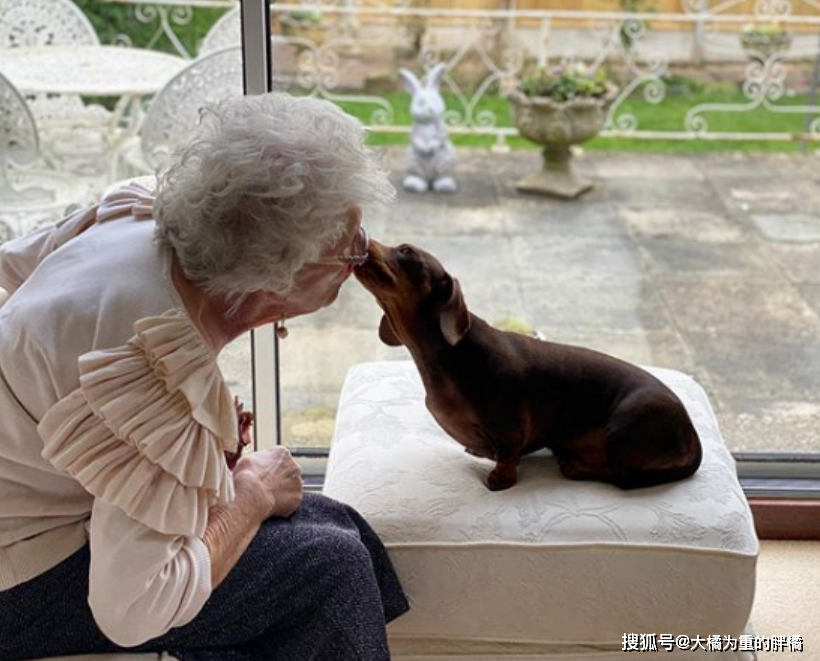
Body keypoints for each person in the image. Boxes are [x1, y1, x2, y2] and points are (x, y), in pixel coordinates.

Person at [0, 92, 408, 661]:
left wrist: (134, 444)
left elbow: (15, 275)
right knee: (326, 568)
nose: (362, 257)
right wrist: (249, 493)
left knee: (336, 524)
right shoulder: (154, 371)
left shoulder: (137, 219)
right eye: (348, 250)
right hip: (15, 581)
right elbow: (131, 610)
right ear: (276, 280)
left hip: (40, 514)